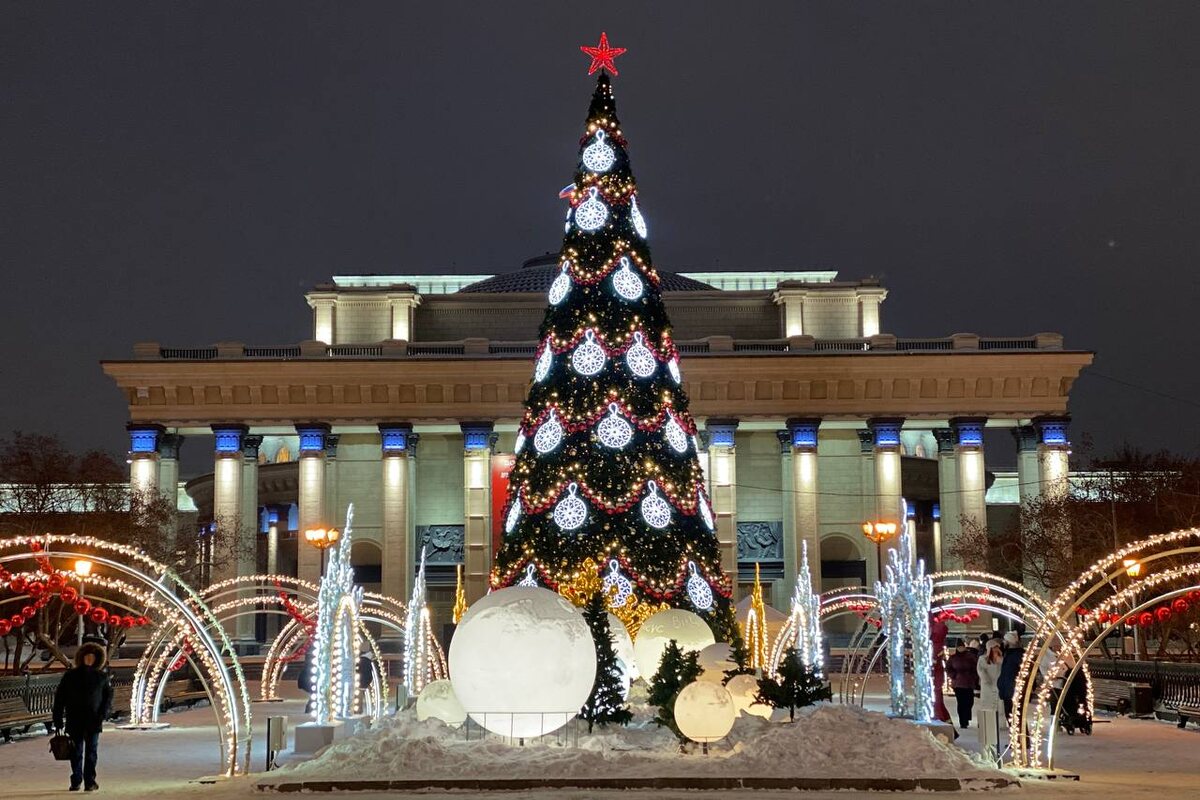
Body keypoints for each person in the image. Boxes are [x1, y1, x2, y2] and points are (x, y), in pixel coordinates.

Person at [53, 641, 113, 792]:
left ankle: (89, 781)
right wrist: (58, 719)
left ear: (97, 659)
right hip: (75, 719)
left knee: (91, 752)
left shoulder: (101, 677)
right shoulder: (71, 676)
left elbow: (107, 698)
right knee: (76, 751)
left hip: (93, 720)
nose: (89, 660)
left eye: (92, 657)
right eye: (87, 657)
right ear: (82, 658)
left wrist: (103, 714)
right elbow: (60, 698)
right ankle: (76, 779)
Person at [976, 637, 1004, 760]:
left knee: (998, 708)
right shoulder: (983, 660)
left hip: (997, 688)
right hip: (988, 689)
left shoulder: (1000, 660)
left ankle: (997, 725)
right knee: (987, 711)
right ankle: (988, 747)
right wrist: (985, 678)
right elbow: (980, 670)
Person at [945, 637, 980, 729]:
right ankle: (963, 721)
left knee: (969, 701)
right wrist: (953, 676)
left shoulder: (970, 657)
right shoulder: (953, 658)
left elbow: (976, 667)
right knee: (961, 702)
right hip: (958, 683)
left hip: (968, 682)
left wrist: (974, 677)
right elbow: (948, 668)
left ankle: (966, 717)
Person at [997, 630, 1024, 718]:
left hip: (1013, 690)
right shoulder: (1009, 654)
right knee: (1011, 715)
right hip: (1009, 690)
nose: (1003, 642)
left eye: (1005, 641)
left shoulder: (1016, 655)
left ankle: (1018, 731)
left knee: (1014, 715)